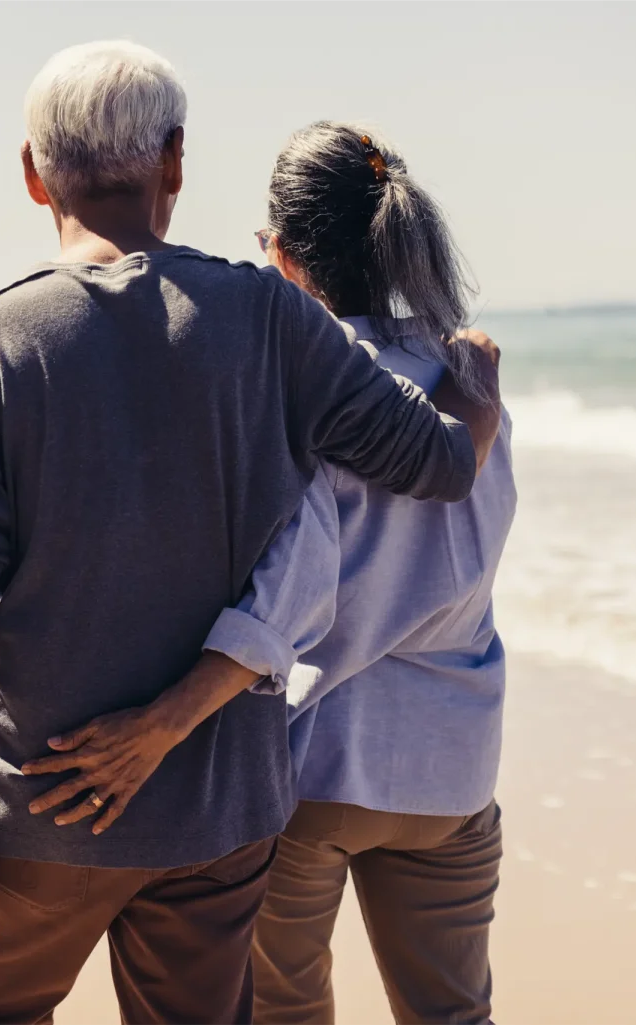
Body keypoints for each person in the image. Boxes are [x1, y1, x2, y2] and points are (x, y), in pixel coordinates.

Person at [0, 44, 500, 1025]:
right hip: (220, 812)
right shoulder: (268, 315)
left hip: (40, 805)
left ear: (30, 171)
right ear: (175, 161)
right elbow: (433, 463)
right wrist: (475, 398)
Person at [232, 123, 517, 1025]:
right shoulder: (471, 377)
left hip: (310, 758)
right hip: (452, 763)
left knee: (281, 1014)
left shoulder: (292, 383)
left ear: (280, 252)